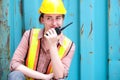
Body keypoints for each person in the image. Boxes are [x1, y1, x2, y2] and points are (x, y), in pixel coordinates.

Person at [8, 0, 75, 80]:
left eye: (58, 18)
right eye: (49, 18)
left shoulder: (69, 46)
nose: (54, 23)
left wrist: (52, 45)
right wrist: (44, 77)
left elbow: (60, 76)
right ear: (42, 20)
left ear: (62, 20)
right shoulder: (29, 35)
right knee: (15, 75)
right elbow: (14, 64)